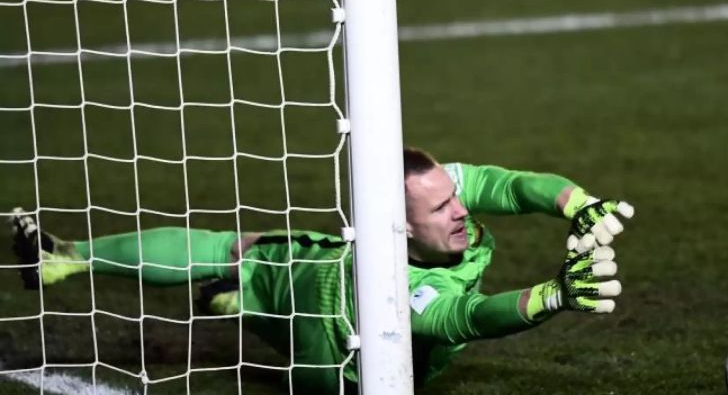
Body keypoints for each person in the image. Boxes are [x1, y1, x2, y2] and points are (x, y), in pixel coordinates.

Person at [8, 147, 634, 393]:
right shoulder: (407, 290)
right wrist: (554, 295)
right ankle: (71, 260)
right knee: (250, 267)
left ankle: (227, 292)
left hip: (318, 277)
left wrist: (578, 205)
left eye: (454, 194)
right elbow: (468, 316)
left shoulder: (434, 197)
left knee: (243, 254)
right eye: (442, 206)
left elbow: (510, 183)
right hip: (333, 353)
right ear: (399, 226)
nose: (461, 209)